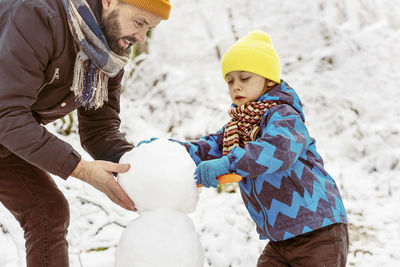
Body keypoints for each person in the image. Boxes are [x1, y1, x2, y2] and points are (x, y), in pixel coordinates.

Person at [0, 0, 171, 266]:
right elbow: (7, 114)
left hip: (7, 134)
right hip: (6, 121)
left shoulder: (109, 54)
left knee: (47, 212)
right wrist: (81, 169)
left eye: (149, 28)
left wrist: (141, 167)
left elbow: (99, 129)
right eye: (139, 22)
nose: (140, 37)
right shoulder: (37, 17)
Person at [178, 30, 349, 266]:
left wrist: (229, 163)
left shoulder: (285, 116)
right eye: (230, 80)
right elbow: (209, 147)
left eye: (245, 78)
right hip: (280, 239)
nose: (236, 87)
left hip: (318, 232)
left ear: (268, 80)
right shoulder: (238, 126)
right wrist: (168, 151)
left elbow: (277, 150)